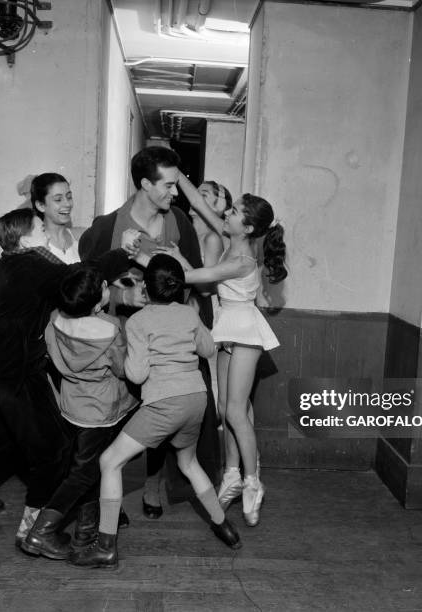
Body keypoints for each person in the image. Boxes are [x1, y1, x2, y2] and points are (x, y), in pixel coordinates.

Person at [0, 208, 136, 545]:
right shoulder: (32, 265)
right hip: (15, 372)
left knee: (8, 439)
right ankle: (33, 531)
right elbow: (82, 275)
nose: (46, 230)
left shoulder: (11, 262)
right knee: (54, 448)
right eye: (39, 227)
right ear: (24, 239)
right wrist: (123, 252)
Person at [68, 254, 241, 569]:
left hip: (164, 403)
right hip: (196, 399)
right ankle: (223, 525)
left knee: (109, 461)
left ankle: (106, 546)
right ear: (178, 288)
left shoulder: (138, 321)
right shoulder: (189, 315)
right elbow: (207, 349)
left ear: (146, 290)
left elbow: (135, 375)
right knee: (188, 463)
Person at [78, 146, 221, 518]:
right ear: (144, 183)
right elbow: (85, 287)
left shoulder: (180, 224)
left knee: (166, 414)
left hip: (169, 346)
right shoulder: (108, 227)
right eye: (169, 185)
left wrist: (182, 311)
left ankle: (155, 485)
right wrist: (126, 295)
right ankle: (107, 496)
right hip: (125, 338)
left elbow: (199, 288)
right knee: (114, 418)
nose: (176, 194)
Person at [153, 172, 287, 527]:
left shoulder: (242, 261)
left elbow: (195, 277)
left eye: (234, 212)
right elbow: (197, 202)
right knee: (228, 411)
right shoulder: (233, 240)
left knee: (236, 412)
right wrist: (175, 172)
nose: (226, 213)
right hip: (228, 327)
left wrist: (169, 256)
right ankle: (230, 474)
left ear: (247, 227)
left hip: (244, 330)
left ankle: (253, 482)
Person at [20, 266, 139, 560]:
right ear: (97, 301)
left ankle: (85, 531)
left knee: (89, 466)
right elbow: (124, 370)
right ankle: (41, 532)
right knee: (83, 474)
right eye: (103, 286)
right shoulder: (110, 329)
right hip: (101, 410)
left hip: (71, 406)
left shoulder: (54, 321)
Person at [31, 173, 82, 264]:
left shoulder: (81, 237)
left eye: (69, 197)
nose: (67, 204)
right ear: (40, 205)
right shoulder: (35, 245)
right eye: (58, 199)